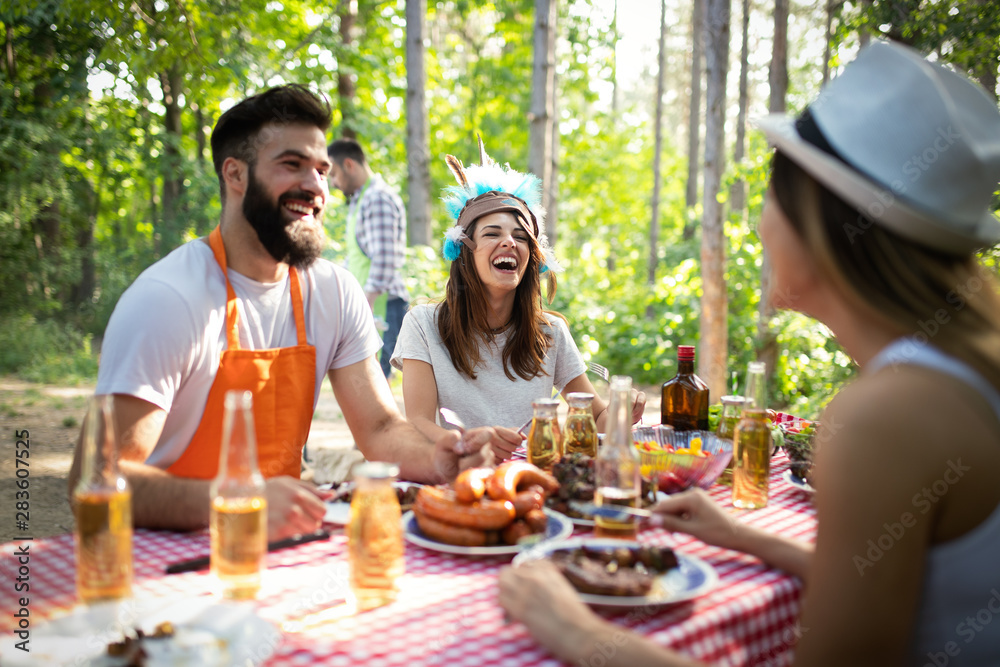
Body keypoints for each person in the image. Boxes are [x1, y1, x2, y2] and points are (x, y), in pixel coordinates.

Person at [499, 41, 1000, 666]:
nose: (761, 223)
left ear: (820, 220)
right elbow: (904, 581)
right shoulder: (962, 371)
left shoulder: (887, 416)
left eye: (771, 194)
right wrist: (741, 537)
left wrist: (577, 633)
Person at [68, 85, 482, 542]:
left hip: (282, 542)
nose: (315, 186)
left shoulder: (334, 292)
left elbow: (381, 429)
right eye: (292, 165)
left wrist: (439, 460)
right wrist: (243, 503)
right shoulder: (167, 299)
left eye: (322, 170)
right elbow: (96, 479)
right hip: (165, 556)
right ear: (235, 174)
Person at [390, 141, 645, 461]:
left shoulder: (550, 332)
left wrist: (622, 410)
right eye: (493, 233)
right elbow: (418, 422)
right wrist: (470, 443)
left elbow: (596, 418)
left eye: (521, 237)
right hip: (459, 477)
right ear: (464, 251)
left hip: (534, 479)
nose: (510, 242)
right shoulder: (423, 324)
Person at [327, 138, 409, 379]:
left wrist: (367, 305)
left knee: (376, 381)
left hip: (381, 306)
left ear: (349, 165)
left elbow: (384, 258)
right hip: (370, 304)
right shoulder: (360, 199)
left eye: (333, 174)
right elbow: (357, 258)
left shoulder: (377, 198)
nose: (332, 182)